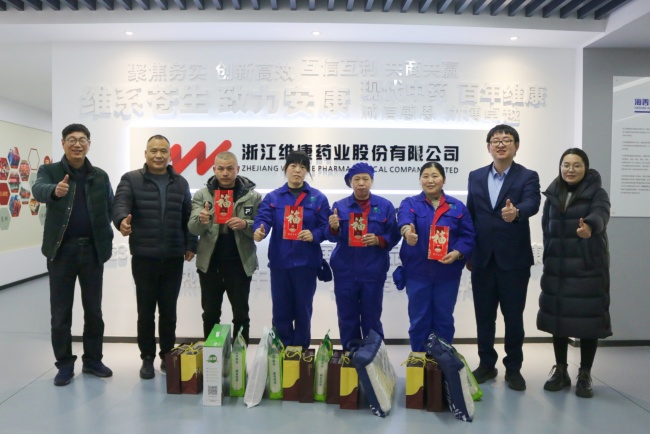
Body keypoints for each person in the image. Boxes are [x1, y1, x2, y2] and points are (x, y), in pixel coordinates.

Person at [32, 123, 114, 386]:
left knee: (94, 311)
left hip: (92, 251)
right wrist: (54, 191)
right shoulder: (50, 171)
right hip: (61, 251)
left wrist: (122, 221)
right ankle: (64, 365)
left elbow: (111, 207)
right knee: (60, 314)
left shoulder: (100, 176)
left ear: (89, 144)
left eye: (82, 140)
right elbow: (38, 189)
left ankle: (92, 360)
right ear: (63, 143)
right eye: (71, 139)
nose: (77, 144)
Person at [112, 134, 197, 379]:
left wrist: (191, 243)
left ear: (170, 155)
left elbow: (188, 216)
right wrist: (121, 221)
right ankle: (147, 358)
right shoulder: (131, 179)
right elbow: (120, 204)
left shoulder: (180, 182)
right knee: (146, 311)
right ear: (146, 154)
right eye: (153, 151)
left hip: (173, 256)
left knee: (169, 311)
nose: (158, 155)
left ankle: (167, 355)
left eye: (163, 151)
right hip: (144, 256)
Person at [467, 124, 541, 391]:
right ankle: (486, 364)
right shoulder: (476, 176)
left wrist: (517, 212)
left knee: (513, 317)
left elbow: (533, 203)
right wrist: (469, 251)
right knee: (484, 316)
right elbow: (471, 214)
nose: (500, 144)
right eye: (495, 140)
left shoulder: (527, 176)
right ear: (488, 146)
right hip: (482, 259)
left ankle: (513, 368)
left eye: (507, 140)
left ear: (516, 146)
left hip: (514, 260)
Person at [537, 148, 611, 398]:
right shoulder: (553, 194)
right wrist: (549, 253)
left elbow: (601, 214)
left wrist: (589, 226)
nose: (570, 170)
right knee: (558, 321)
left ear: (585, 168)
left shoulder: (597, 193)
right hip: (557, 268)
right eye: (566, 165)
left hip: (586, 268)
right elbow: (546, 227)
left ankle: (585, 373)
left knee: (588, 321)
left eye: (576, 165)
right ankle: (561, 370)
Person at [252, 151, 330, 348]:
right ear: (285, 168)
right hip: (281, 263)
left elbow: (327, 227)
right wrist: (259, 230)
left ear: (307, 171)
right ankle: (281, 351)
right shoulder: (273, 197)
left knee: (303, 311)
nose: (297, 170)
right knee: (281, 311)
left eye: (303, 167)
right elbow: (263, 219)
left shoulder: (318, 198)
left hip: (307, 264)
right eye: (293, 166)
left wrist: (314, 234)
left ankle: (300, 353)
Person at [397, 162, 475, 352]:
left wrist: (457, 252)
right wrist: (407, 233)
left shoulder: (457, 207)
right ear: (420, 180)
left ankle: (442, 362)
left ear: (444, 180)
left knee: (444, 319)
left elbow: (468, 235)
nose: (430, 180)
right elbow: (404, 220)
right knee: (418, 319)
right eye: (425, 176)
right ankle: (419, 359)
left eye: (435, 176)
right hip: (417, 273)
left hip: (447, 274)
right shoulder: (410, 203)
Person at [188, 152, 262, 344]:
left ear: (238, 169)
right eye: (220, 169)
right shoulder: (202, 195)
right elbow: (192, 228)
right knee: (210, 314)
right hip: (210, 264)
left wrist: (245, 224)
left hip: (239, 263)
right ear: (214, 170)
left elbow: (261, 228)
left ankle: (239, 357)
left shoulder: (252, 197)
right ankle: (213, 357)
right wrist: (202, 220)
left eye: (230, 168)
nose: (225, 173)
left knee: (241, 314)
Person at [325, 163, 400, 350]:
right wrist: (333, 227)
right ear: (350, 182)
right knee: (347, 316)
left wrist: (379, 239)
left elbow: (394, 234)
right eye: (356, 179)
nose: (361, 183)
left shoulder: (385, 206)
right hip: (345, 270)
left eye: (365, 179)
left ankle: (373, 356)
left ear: (372, 181)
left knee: (372, 316)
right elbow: (331, 237)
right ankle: (350, 354)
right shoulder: (340, 206)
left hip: (373, 270)